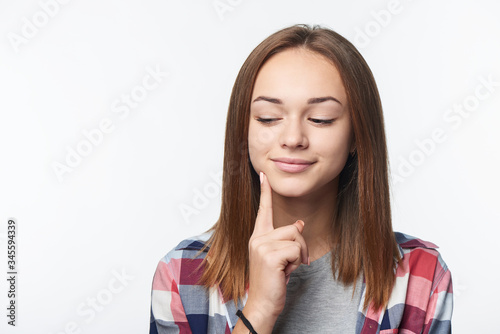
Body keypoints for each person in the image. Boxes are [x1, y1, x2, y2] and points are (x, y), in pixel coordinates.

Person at [149, 24, 453, 334]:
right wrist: (260, 310)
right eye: (268, 118)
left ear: (356, 137)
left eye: (321, 119)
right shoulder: (181, 274)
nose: (293, 138)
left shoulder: (421, 275)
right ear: (244, 131)